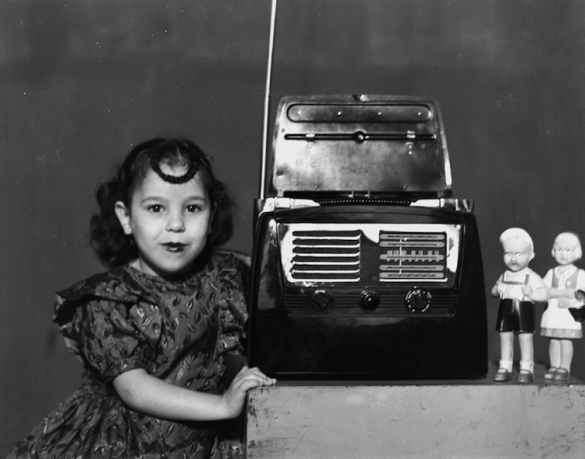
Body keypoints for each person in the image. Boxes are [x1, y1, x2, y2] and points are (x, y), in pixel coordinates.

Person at [6, 137, 276, 459]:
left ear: (212, 214)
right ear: (125, 217)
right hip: (125, 442)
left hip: (202, 441)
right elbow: (135, 389)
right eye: (156, 208)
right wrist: (222, 404)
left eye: (192, 208)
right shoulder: (110, 300)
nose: (176, 224)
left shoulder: (226, 276)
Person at [491, 228, 547, 383]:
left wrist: (532, 294)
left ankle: (526, 368)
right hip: (506, 309)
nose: (513, 259)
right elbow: (493, 292)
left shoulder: (531, 276)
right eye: (509, 254)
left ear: (531, 256)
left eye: (519, 254)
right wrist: (497, 289)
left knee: (525, 337)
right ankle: (505, 366)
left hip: (523, 309)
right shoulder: (504, 275)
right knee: (505, 336)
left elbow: (544, 295)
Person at [540, 232, 585, 383]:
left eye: (567, 250)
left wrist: (570, 298)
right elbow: (543, 289)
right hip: (553, 312)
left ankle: (564, 367)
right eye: (559, 250)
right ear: (554, 251)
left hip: (568, 314)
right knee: (554, 339)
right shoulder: (551, 273)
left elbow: (582, 294)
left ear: (576, 252)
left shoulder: (579, 274)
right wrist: (556, 292)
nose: (563, 254)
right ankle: (554, 366)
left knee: (565, 340)